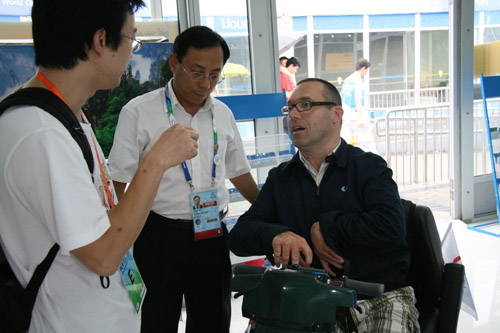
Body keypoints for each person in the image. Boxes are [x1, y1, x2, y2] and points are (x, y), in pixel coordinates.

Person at [0, 0, 199, 332]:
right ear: (100, 41)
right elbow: (105, 255)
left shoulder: (67, 116)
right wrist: (156, 160)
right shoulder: (41, 132)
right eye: (131, 40)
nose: (131, 54)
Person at [229, 78, 420, 332]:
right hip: (303, 304)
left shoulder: (368, 168)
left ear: (336, 114)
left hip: (376, 299)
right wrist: (276, 234)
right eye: (290, 108)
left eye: (305, 105)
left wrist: (325, 228)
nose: (293, 114)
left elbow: (390, 229)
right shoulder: (282, 178)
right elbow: (240, 235)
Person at [108, 25, 260, 332]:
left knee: (213, 319)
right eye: (197, 72)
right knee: (156, 319)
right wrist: (116, 238)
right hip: (158, 234)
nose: (206, 84)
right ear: (174, 63)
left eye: (215, 75)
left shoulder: (223, 114)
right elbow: (118, 180)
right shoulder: (139, 112)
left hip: (212, 232)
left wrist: (268, 210)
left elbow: (239, 171)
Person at [340, 58, 378, 153]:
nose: (366, 72)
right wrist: (361, 117)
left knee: (344, 141)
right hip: (356, 115)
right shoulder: (358, 81)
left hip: (346, 114)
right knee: (367, 142)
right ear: (364, 68)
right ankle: (374, 163)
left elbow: (342, 97)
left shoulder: (348, 79)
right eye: (367, 70)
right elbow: (358, 100)